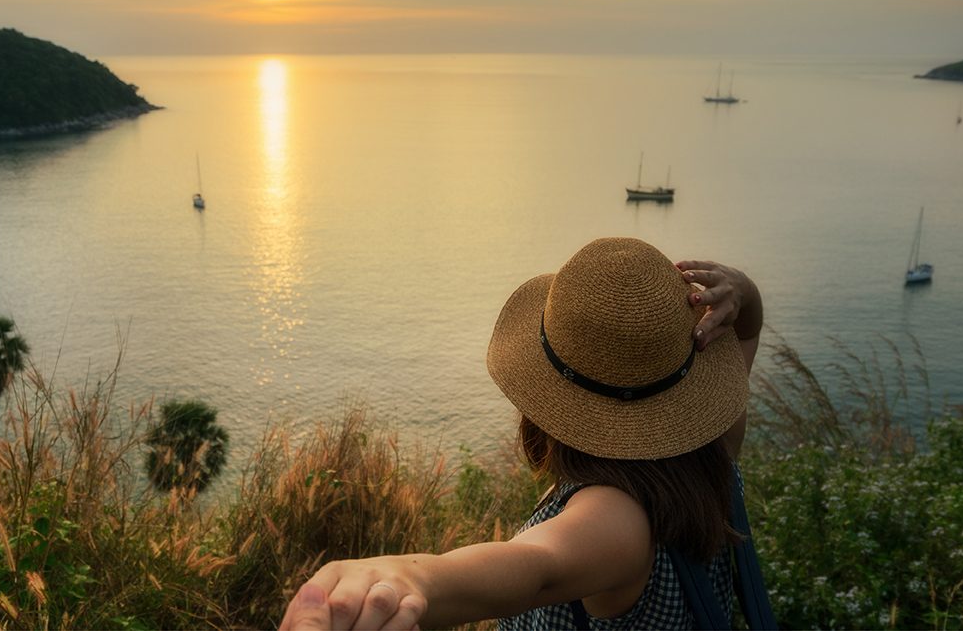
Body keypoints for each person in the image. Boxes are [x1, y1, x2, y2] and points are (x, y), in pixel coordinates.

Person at [278, 237, 773, 631]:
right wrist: (743, 292)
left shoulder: (617, 520)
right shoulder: (712, 450)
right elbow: (746, 331)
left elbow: (532, 568)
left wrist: (407, 577)